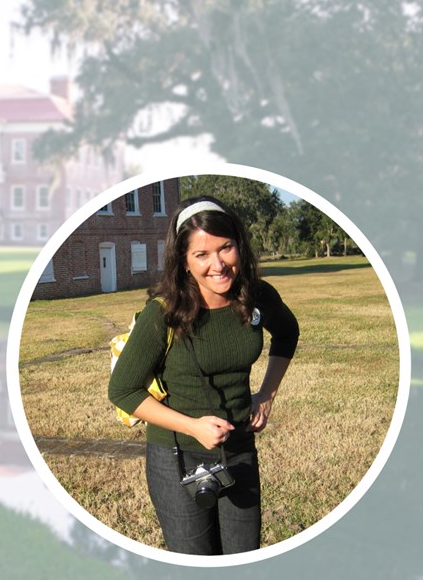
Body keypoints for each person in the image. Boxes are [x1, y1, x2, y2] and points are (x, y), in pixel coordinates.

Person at [108, 195, 299, 555]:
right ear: (183, 261)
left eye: (225, 248)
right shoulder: (162, 314)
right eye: (202, 255)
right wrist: (193, 426)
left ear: (238, 245)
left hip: (239, 450)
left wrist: (266, 395)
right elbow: (123, 390)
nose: (218, 264)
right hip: (177, 456)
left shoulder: (257, 296)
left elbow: (288, 333)